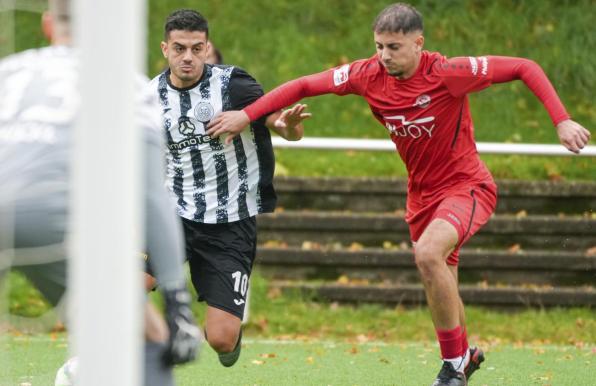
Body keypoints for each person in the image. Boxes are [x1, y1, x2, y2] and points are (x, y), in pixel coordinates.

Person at [206, 3, 591, 385]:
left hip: (467, 187)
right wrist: (249, 114)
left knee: (427, 254)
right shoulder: (367, 74)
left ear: (418, 43)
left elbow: (525, 67)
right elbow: (306, 84)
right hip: (421, 197)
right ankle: (465, 356)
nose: (383, 56)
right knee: (443, 278)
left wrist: (561, 119)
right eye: (378, 46)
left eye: (393, 47)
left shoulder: (449, 72)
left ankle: (452, 364)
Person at [0, 1, 201, 385]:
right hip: (49, 215)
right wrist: (177, 300)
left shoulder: (10, 70)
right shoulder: (123, 81)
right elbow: (151, 194)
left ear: (47, 25)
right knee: (146, 335)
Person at [148, 9, 310, 368]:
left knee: (222, 339)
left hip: (229, 222)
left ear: (207, 49)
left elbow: (278, 122)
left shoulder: (233, 85)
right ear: (165, 49)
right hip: (171, 214)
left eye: (195, 48)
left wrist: (289, 127)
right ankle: (144, 352)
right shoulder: (149, 98)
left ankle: (224, 335)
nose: (187, 57)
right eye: (179, 48)